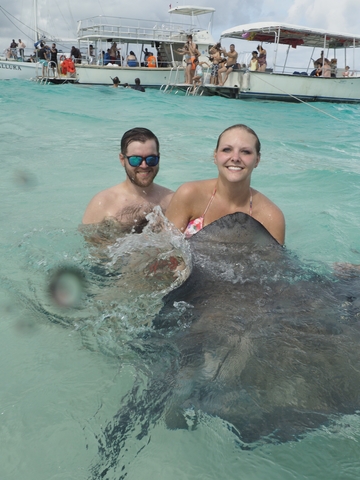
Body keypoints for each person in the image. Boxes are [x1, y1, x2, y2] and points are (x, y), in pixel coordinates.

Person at [166, 124, 285, 245]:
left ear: (257, 160)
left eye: (246, 152)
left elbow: (273, 262)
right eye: (227, 149)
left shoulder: (271, 217)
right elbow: (165, 249)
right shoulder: (189, 194)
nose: (235, 158)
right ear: (215, 156)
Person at [82, 127, 173, 231]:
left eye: (151, 159)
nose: (144, 165)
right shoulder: (103, 203)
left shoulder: (172, 200)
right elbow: (90, 243)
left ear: (159, 158)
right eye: (135, 159)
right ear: (122, 160)